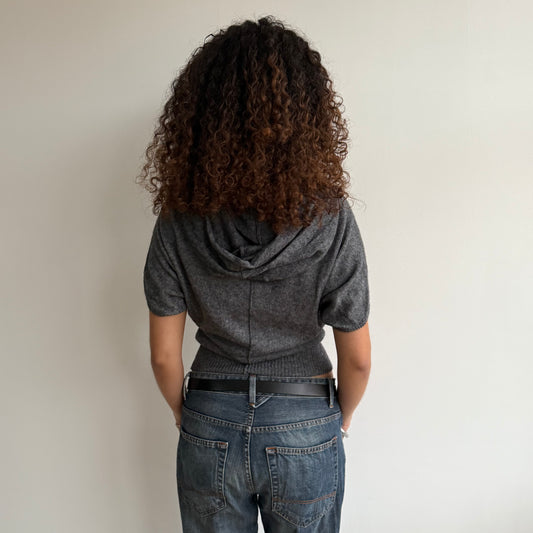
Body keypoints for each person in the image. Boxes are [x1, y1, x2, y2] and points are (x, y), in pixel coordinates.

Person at [137, 15, 371, 533]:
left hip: (210, 411)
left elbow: (163, 355)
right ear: (308, 116)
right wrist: (339, 418)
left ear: (201, 115)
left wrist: (187, 414)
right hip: (305, 414)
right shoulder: (330, 217)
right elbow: (357, 359)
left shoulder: (179, 218)